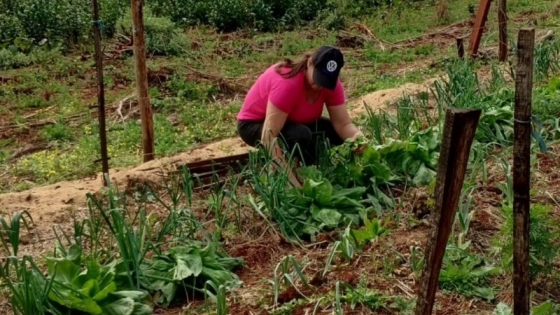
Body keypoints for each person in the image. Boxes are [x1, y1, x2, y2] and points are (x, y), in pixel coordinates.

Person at [236, 45, 366, 187]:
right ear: (309, 63)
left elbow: (343, 124)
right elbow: (269, 135)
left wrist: (358, 138)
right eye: (318, 77)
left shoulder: (330, 85)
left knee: (333, 133)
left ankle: (306, 167)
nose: (319, 85)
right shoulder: (287, 84)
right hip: (255, 124)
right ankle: (278, 170)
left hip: (292, 121)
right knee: (300, 135)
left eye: (325, 81)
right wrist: (293, 184)